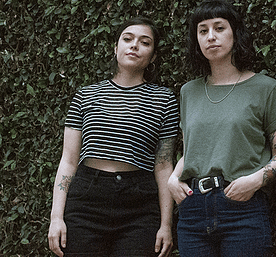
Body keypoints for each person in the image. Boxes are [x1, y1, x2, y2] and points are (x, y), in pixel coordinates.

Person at [168, 0, 276, 257]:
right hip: (192, 211)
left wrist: (254, 181)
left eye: (219, 28)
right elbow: (192, 150)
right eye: (203, 31)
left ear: (235, 33)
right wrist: (173, 179)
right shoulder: (189, 91)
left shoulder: (265, 88)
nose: (211, 37)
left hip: (243, 207)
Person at [48, 17, 179, 257]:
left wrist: (166, 225)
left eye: (145, 42)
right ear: (116, 47)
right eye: (127, 39)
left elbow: (163, 165)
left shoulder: (164, 100)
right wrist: (56, 217)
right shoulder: (85, 96)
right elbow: (68, 160)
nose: (134, 45)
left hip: (140, 206)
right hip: (86, 202)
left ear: (153, 56)